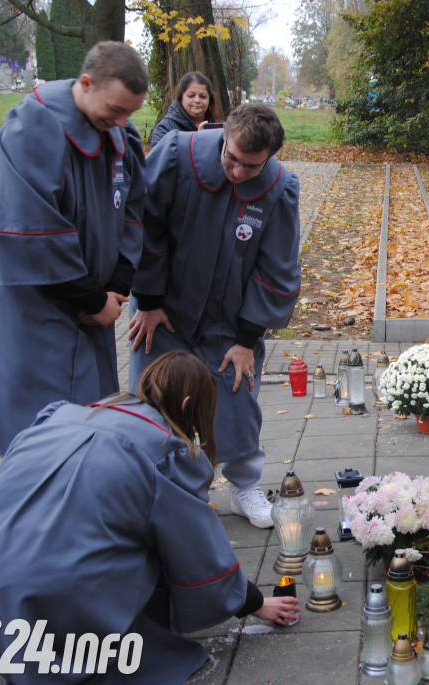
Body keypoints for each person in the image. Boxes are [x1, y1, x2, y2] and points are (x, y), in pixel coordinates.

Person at [0, 350, 300, 683]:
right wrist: (253, 602)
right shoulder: (165, 452)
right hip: (51, 590)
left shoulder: (62, 415)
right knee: (150, 556)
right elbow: (199, 554)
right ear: (188, 407)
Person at [0, 41, 149, 455]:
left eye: (130, 112)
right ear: (85, 83)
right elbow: (29, 225)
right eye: (117, 110)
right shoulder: (33, 127)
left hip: (96, 306)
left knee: (89, 423)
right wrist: (89, 296)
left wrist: (118, 281)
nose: (122, 121)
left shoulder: (117, 130)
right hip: (40, 309)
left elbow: (133, 208)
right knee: (39, 431)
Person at [129, 104, 301, 529]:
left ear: (270, 158)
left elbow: (276, 267)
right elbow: (144, 224)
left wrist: (246, 337)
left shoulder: (279, 188)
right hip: (163, 310)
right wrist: (148, 301)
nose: (238, 172)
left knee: (237, 394)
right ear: (222, 135)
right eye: (231, 158)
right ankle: (166, 487)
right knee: (160, 396)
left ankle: (243, 486)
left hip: (229, 320)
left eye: (251, 166)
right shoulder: (176, 155)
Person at [149, 71, 218, 147]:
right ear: (181, 98)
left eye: (203, 96)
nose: (197, 100)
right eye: (191, 96)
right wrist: (197, 140)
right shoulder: (165, 128)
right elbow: (159, 157)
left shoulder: (217, 127)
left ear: (210, 99)